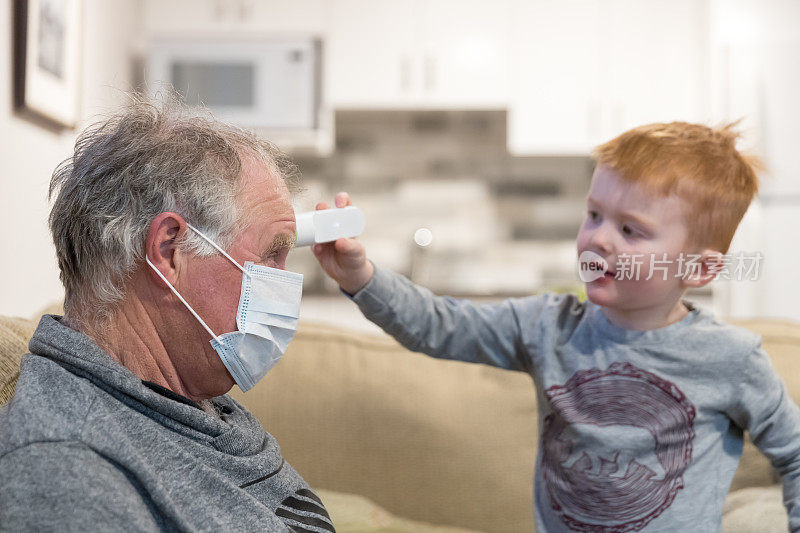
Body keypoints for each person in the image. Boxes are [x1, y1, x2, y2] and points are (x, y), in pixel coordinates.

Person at [313, 122, 800, 531]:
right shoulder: (548, 325)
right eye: (593, 215)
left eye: (629, 229)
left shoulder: (733, 359)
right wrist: (361, 277)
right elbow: (438, 326)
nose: (598, 239)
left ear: (698, 269)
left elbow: (794, 455)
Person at [0, 95, 335, 532]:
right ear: (168, 250)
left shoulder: (186, 392)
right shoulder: (68, 472)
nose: (285, 283)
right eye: (272, 255)